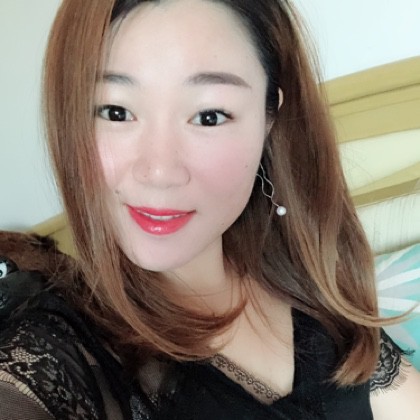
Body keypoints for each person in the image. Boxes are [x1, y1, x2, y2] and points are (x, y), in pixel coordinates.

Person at [0, 0, 419, 418]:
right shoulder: (58, 352)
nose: (159, 172)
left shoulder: (311, 283)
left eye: (209, 116)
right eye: (116, 112)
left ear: (268, 119)